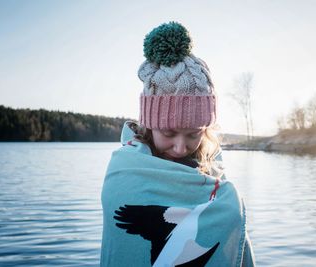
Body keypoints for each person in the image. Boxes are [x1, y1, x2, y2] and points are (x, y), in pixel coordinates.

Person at [101, 22, 255, 266]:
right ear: (149, 126)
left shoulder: (212, 172)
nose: (181, 147)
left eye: (194, 134)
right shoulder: (125, 170)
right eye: (169, 133)